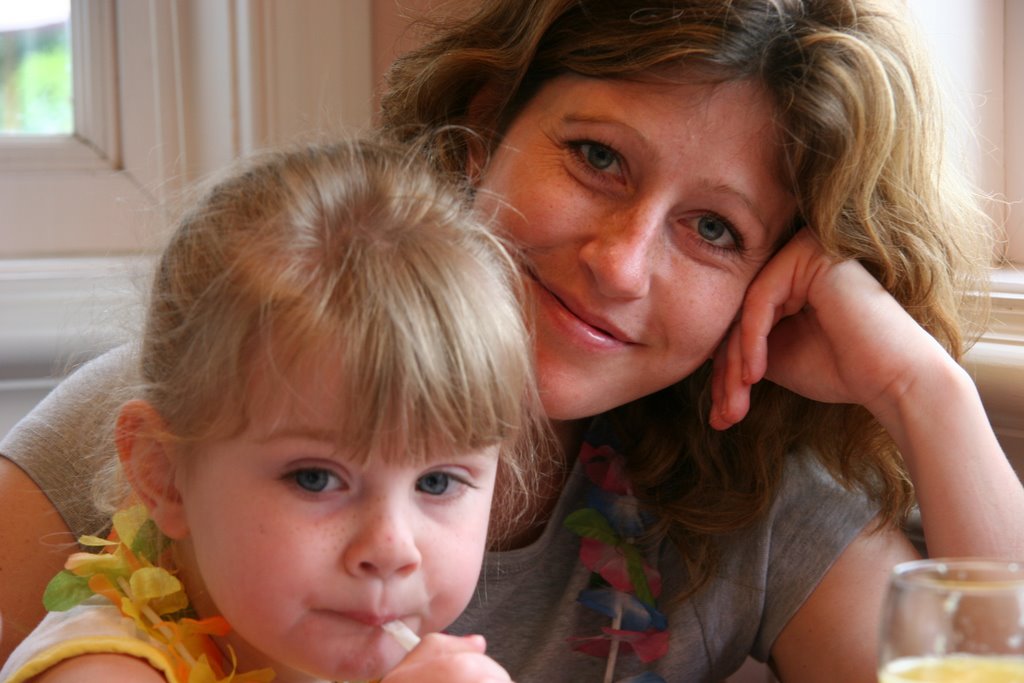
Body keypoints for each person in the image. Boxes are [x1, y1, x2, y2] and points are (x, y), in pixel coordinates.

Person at [3, 0, 1023, 680]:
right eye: (596, 157)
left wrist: (922, 387)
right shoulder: (228, 389)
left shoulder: (742, 498)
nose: (623, 263)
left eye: (715, 230)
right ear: (487, 125)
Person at [0, 138, 540, 683]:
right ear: (163, 475)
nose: (391, 548)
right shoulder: (102, 673)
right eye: (316, 478)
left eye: (439, 483)